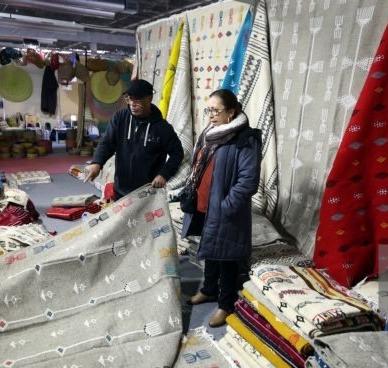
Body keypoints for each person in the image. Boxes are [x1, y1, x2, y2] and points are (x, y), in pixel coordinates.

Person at [181, 88, 262, 327]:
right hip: (205, 202)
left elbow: (248, 181)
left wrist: (227, 206)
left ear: (231, 112)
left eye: (216, 110)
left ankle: (225, 304)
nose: (211, 115)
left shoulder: (245, 139)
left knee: (226, 257)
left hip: (226, 209)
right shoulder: (210, 133)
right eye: (209, 110)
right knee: (210, 248)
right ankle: (208, 289)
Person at [83, 79, 183, 200]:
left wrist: (164, 174)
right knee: (122, 219)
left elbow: (177, 153)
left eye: (138, 99)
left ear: (150, 99)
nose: (132, 104)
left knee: (144, 219)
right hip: (121, 189)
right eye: (129, 99)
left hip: (148, 191)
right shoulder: (120, 117)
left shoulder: (162, 127)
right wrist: (97, 163)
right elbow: (107, 143)